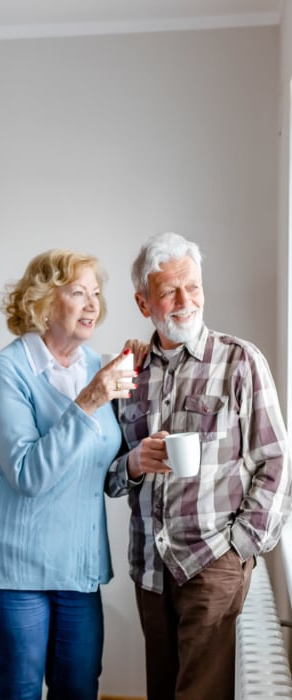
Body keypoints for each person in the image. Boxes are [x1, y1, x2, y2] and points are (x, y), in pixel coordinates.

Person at [106, 232, 292, 700]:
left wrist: (239, 547)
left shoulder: (241, 361)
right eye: (168, 291)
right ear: (143, 302)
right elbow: (106, 475)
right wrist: (133, 462)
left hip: (213, 563)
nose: (184, 301)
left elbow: (277, 461)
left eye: (192, 286)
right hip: (149, 568)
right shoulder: (129, 372)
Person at [0, 248, 144, 700]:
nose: (92, 304)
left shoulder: (95, 366)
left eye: (96, 293)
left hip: (76, 564)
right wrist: (89, 401)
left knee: (80, 689)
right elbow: (28, 474)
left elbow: (102, 461)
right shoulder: (7, 371)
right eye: (77, 292)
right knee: (18, 692)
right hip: (12, 566)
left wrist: (138, 459)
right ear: (42, 301)